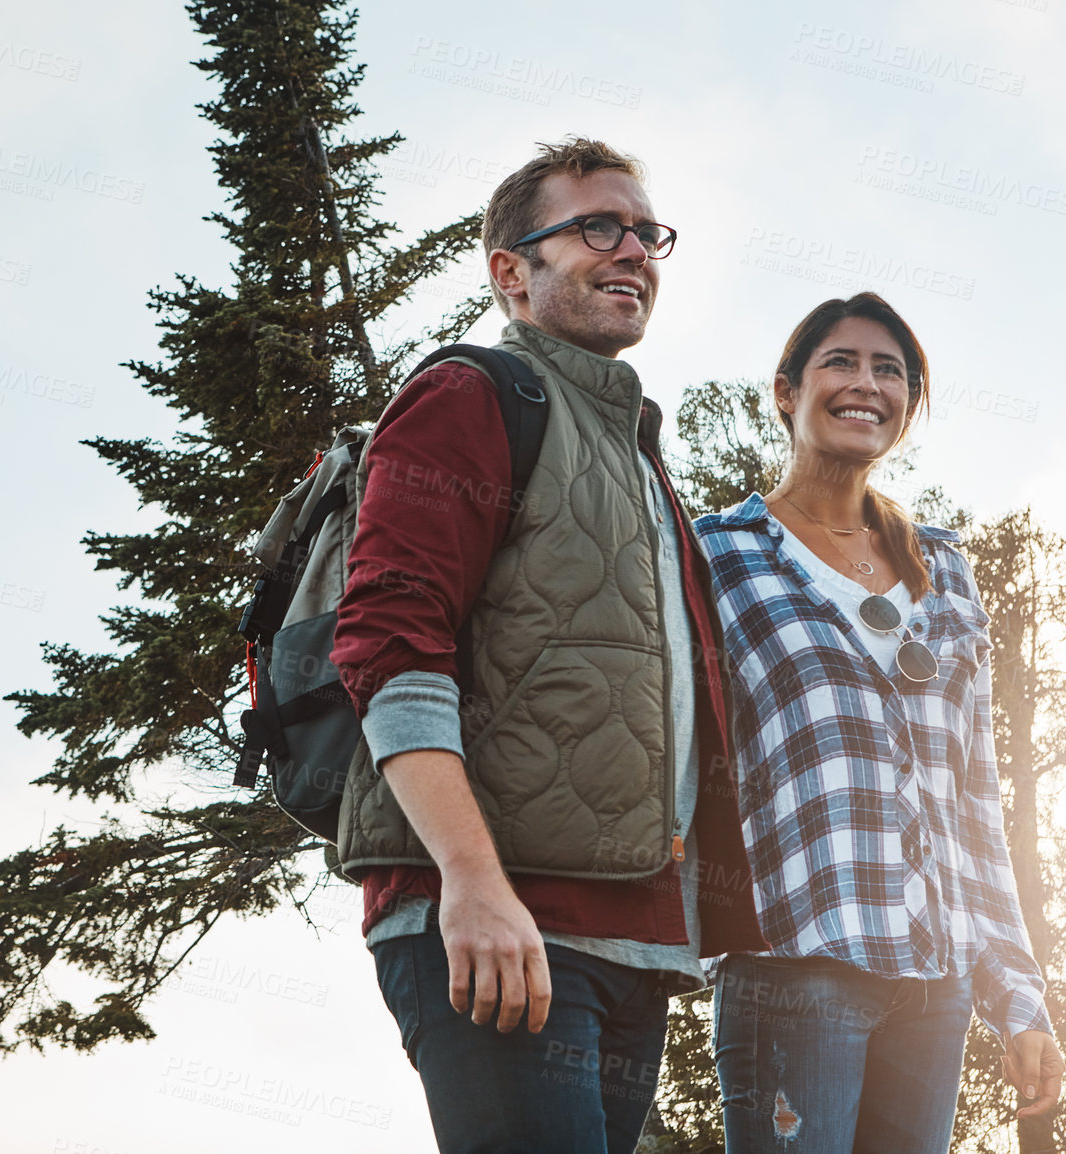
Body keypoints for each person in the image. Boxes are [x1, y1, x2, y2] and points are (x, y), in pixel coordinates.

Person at [329, 136, 768, 1154]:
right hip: (500, 923)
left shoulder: (643, 462)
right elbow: (390, 643)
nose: (633, 250)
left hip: (635, 945)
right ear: (510, 272)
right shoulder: (472, 395)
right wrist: (470, 882)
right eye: (596, 226)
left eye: (647, 231)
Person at [693, 292, 1065, 1152]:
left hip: (939, 985)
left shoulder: (943, 568)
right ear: (786, 391)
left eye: (889, 370)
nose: (867, 384)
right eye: (842, 363)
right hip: (793, 968)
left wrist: (1017, 995)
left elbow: (975, 801)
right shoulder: (718, 553)